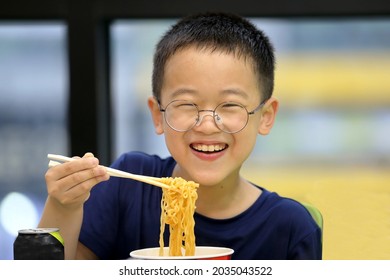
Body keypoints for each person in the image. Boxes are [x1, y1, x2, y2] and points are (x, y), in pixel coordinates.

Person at [39, 12, 322, 260]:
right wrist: (63, 206)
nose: (208, 126)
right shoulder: (127, 185)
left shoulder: (290, 227)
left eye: (230, 105)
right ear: (158, 115)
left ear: (266, 116)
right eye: (186, 105)